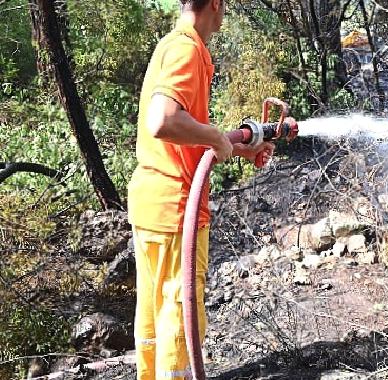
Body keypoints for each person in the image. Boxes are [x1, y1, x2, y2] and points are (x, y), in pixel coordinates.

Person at [127, 1, 274, 379]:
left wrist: (234, 145)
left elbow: (180, 130)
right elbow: (163, 120)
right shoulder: (187, 48)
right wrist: (212, 136)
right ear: (215, 4)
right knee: (180, 314)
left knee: (154, 310)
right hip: (177, 209)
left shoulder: (171, 44)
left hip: (151, 202)